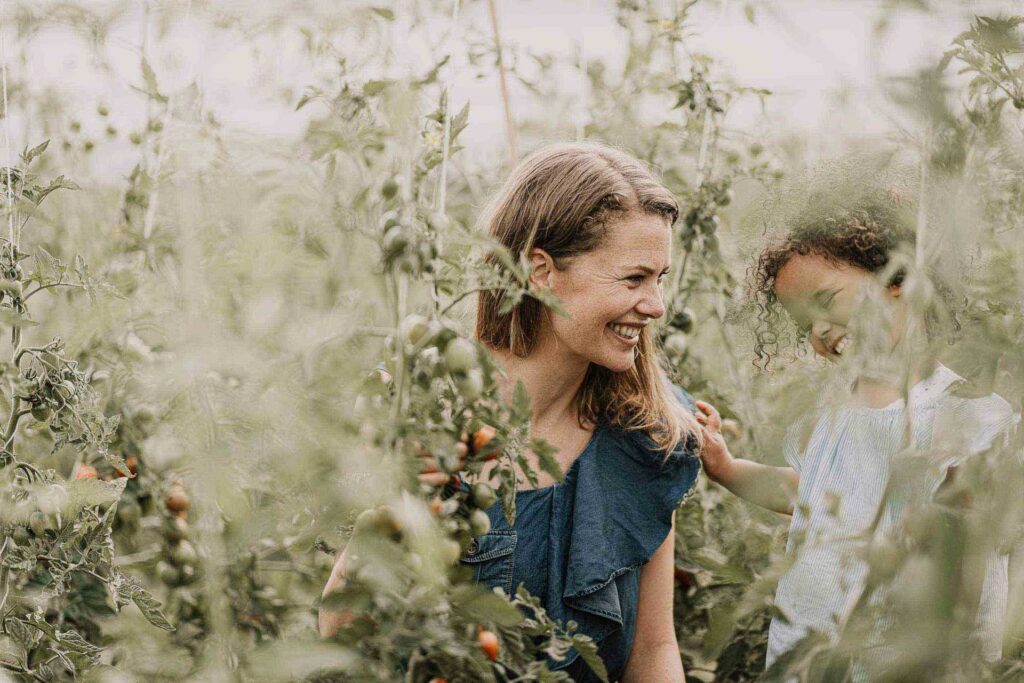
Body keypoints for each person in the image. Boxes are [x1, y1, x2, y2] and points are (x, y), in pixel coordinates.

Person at [321, 142, 703, 682]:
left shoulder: (648, 432)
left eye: (660, 278)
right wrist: (390, 514)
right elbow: (342, 636)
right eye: (633, 278)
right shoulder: (432, 419)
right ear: (539, 270)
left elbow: (654, 649)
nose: (657, 305)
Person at [694, 196, 1020, 677]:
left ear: (898, 281)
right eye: (805, 323)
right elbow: (806, 493)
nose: (821, 330)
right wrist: (725, 467)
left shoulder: (963, 416)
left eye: (826, 301)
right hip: (810, 655)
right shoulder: (830, 416)